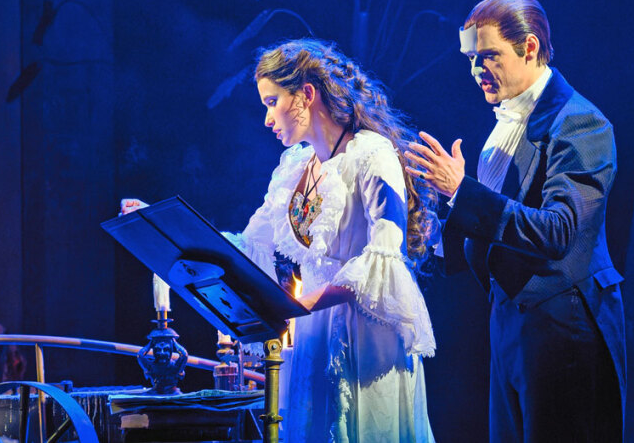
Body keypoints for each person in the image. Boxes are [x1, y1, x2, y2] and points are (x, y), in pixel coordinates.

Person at [123, 38, 438, 442]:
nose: (267, 119)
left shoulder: (371, 154)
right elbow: (247, 245)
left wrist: (303, 302)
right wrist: (163, 225)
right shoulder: (295, 167)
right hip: (313, 336)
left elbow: (384, 256)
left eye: (272, 102)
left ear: (306, 95)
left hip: (367, 339)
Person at [405, 0, 626, 442]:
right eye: (470, 59)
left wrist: (461, 191)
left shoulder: (581, 123)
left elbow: (559, 232)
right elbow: (491, 225)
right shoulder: (504, 123)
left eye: (488, 56)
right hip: (511, 322)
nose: (476, 72)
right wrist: (437, 215)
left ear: (529, 47)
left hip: (563, 325)